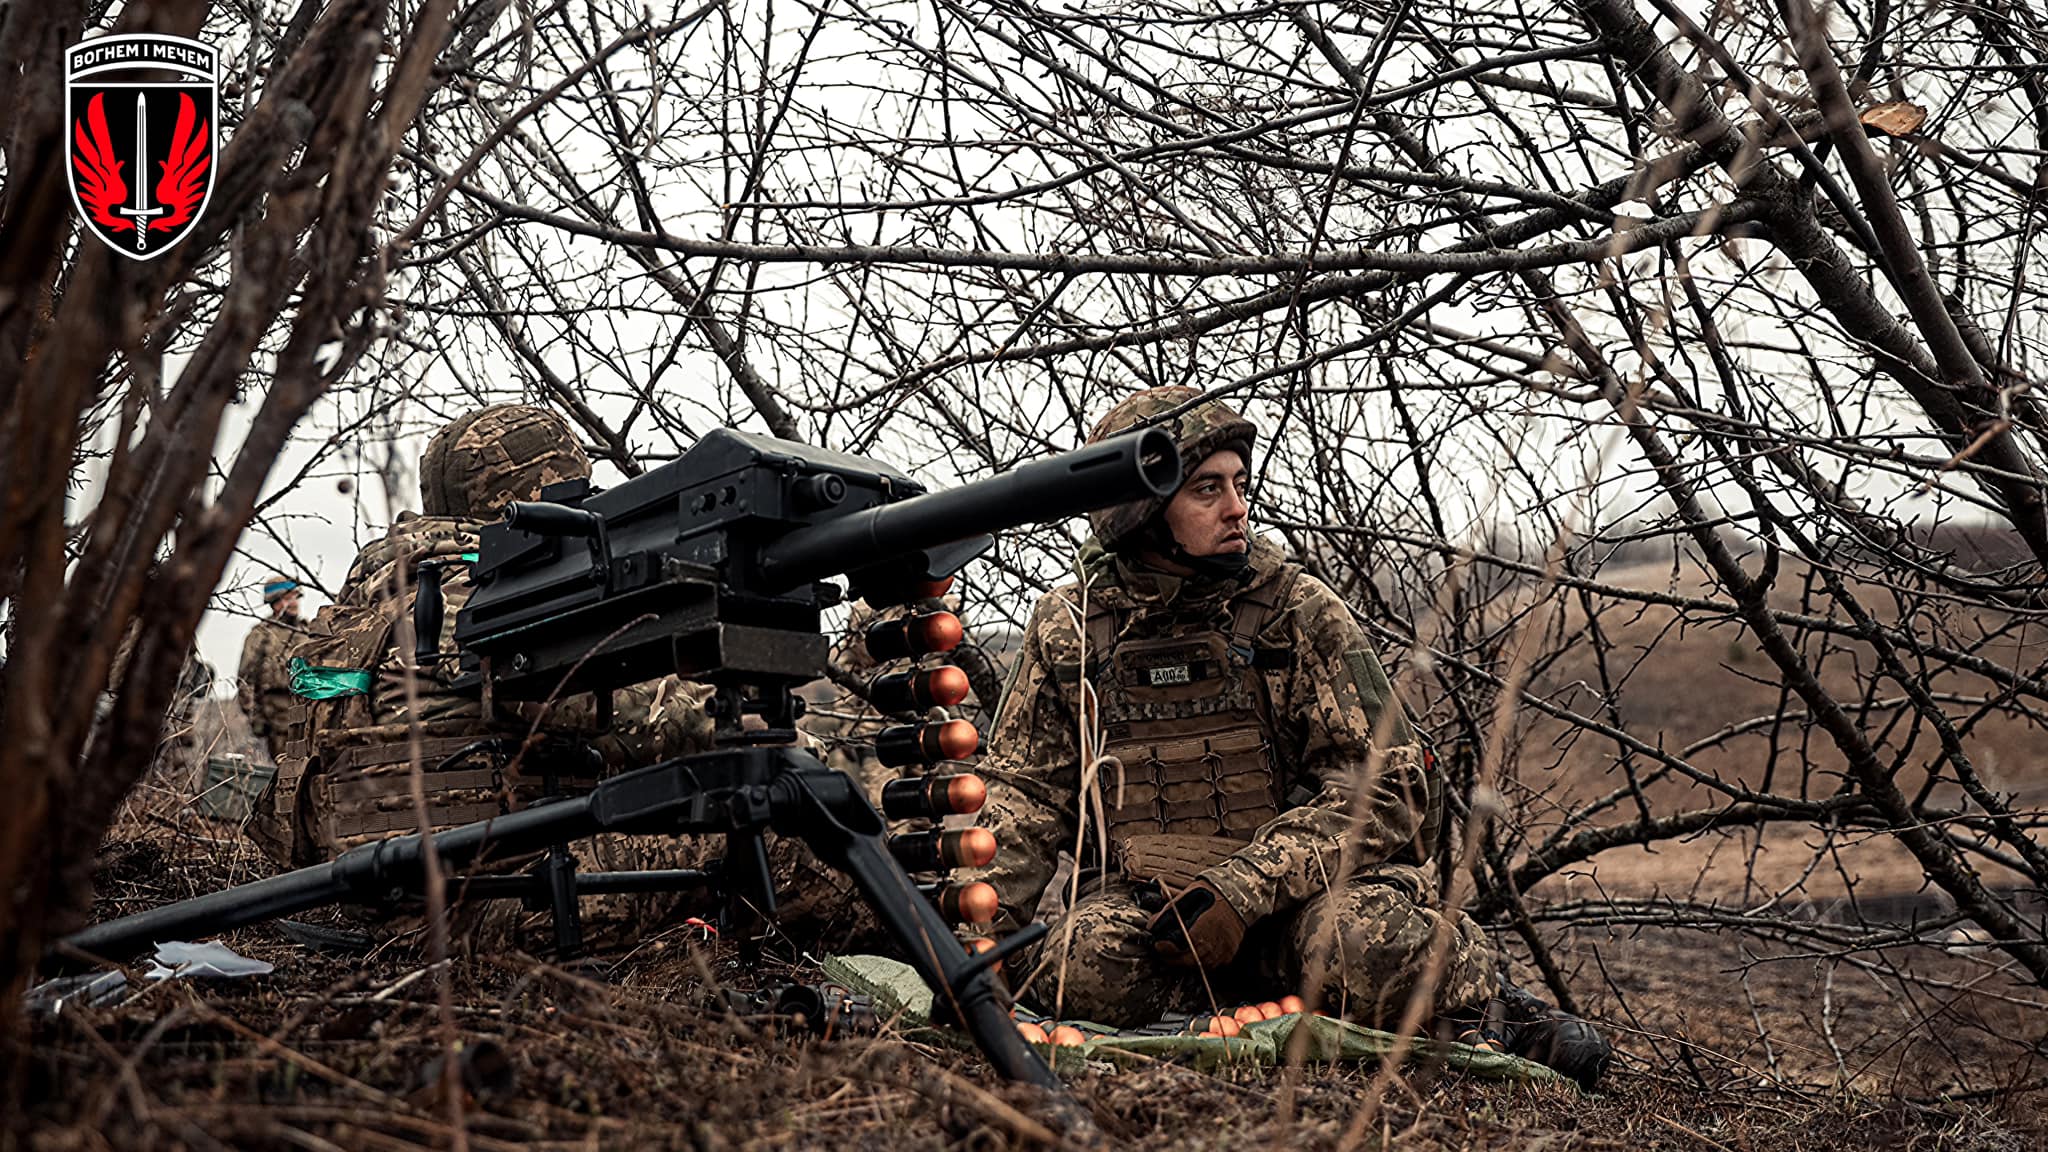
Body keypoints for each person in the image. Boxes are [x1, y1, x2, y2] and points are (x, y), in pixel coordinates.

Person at [956, 386, 1610, 1089]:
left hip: (1307, 902)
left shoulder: (1296, 611)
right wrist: (972, 946)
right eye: (1207, 489)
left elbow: (1383, 789)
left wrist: (1244, 888)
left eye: (1240, 484)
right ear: (1142, 513)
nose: (1237, 508)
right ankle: (1239, 1021)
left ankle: (1495, 1013)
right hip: (1160, 913)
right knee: (1080, 960)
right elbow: (1024, 799)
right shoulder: (1072, 627)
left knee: (1364, 942)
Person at [256, 405, 716, 947]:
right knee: (760, 814)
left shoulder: (352, 612)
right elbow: (670, 725)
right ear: (534, 505)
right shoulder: (482, 602)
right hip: (485, 910)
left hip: (361, 899)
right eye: (578, 496)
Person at [237, 574, 304, 764]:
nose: (293, 603)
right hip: (280, 723)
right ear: (274, 603)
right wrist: (256, 719)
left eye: (295, 597)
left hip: (311, 719)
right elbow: (245, 682)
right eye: (287, 598)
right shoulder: (261, 635)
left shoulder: (309, 631)